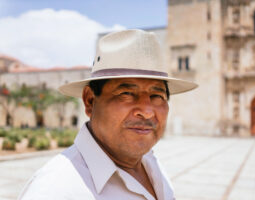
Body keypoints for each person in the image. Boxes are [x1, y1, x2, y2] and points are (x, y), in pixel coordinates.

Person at [18, 29, 197, 200]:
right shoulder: (55, 191)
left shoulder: (151, 164)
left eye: (156, 96)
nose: (147, 111)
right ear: (90, 101)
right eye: (126, 94)